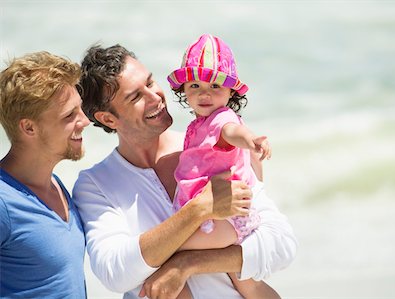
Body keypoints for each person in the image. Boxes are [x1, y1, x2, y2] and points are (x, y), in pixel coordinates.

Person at [73, 43, 298, 299]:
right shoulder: (96, 184)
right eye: (136, 97)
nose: (155, 96)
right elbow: (115, 272)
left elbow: (281, 245)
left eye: (150, 82)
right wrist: (199, 209)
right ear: (108, 119)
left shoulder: (213, 148)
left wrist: (186, 264)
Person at [168, 33, 279, 298]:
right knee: (247, 284)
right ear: (184, 89)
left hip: (224, 219)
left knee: (169, 254)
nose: (204, 94)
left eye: (215, 87)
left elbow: (232, 132)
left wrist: (250, 140)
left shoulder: (222, 119)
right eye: (195, 85)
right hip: (223, 216)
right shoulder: (199, 124)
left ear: (231, 91)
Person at [0, 51, 90, 298]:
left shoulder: (55, 184)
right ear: (29, 127)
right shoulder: (3, 203)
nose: (85, 121)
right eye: (70, 115)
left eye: (80, 110)